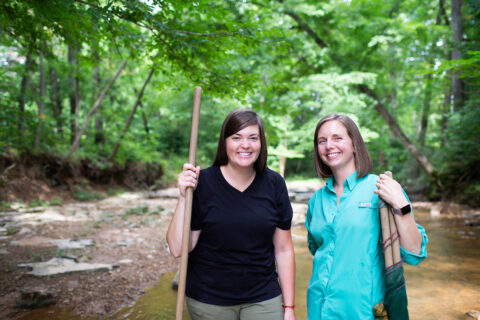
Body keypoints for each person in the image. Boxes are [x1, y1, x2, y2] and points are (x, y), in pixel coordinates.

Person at [167, 109, 296, 320]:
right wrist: (183, 196)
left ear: (261, 143)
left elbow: (283, 250)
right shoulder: (202, 183)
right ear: (224, 142)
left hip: (263, 298)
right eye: (236, 137)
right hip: (209, 300)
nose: (245, 145)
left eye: (253, 138)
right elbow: (178, 248)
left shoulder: (274, 184)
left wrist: (289, 307)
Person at [305, 113, 428, 319]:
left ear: (354, 144)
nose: (328, 146)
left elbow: (414, 253)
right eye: (322, 141)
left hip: (363, 312)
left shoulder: (380, 189)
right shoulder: (316, 200)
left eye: (337, 138)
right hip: (318, 309)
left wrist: (401, 204)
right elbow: (318, 250)